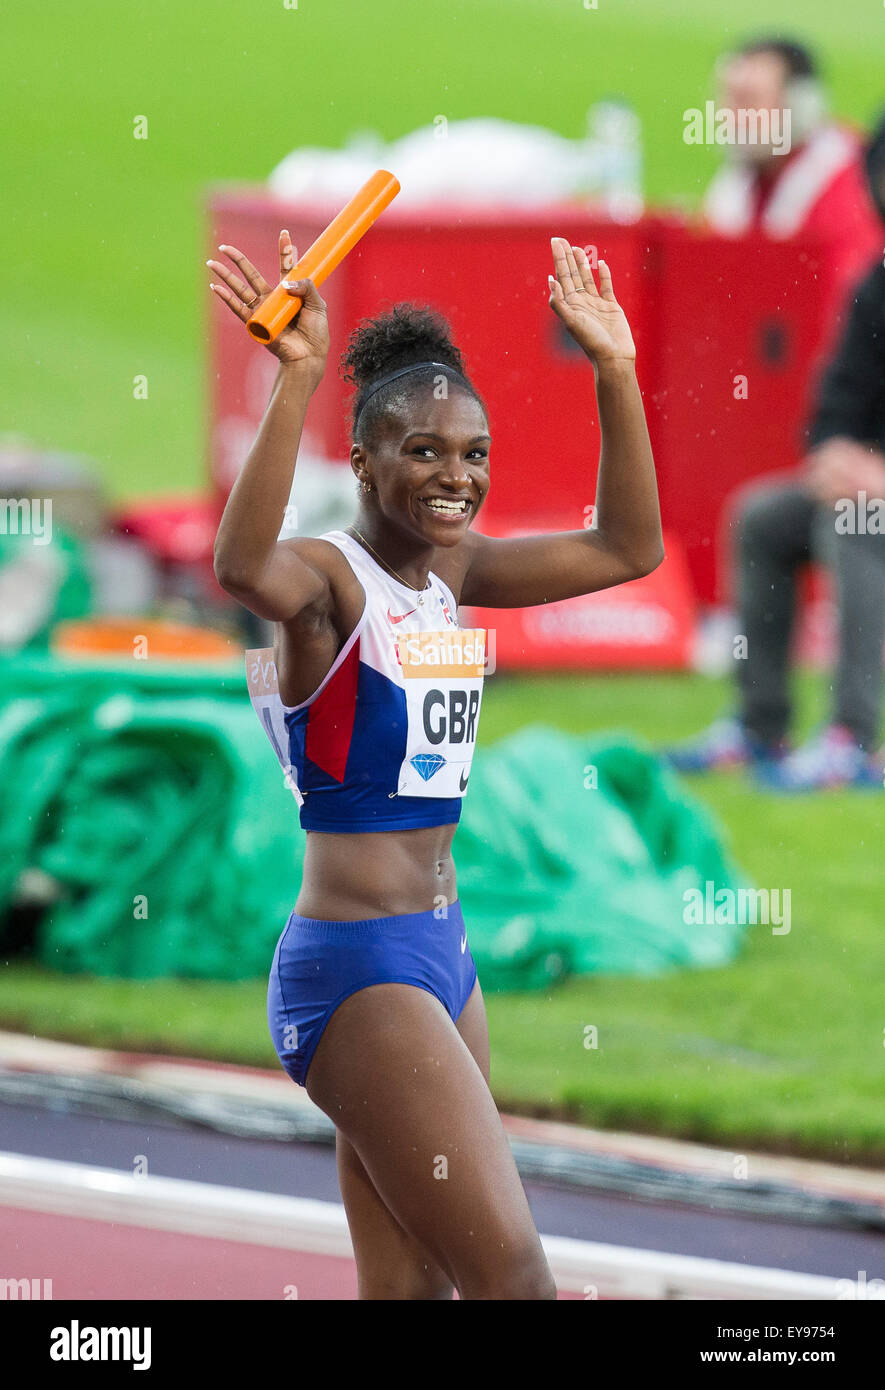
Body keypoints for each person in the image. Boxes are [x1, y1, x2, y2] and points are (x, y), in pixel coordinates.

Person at [208, 231, 663, 1299]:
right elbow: (239, 567)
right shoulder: (329, 581)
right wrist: (301, 378)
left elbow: (626, 550)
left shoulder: (453, 572)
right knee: (513, 1279)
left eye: (473, 454)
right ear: (363, 460)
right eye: (422, 451)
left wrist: (617, 371)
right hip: (357, 971)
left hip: (441, 957)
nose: (454, 476)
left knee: (412, 1292)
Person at [668, 114, 885, 791]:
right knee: (763, 515)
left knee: (851, 523)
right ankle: (759, 727)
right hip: (866, 490)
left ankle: (852, 737)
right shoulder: (877, 285)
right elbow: (830, 412)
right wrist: (835, 459)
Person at [703, 37, 881, 347]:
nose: (733, 118)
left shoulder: (847, 182)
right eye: (730, 100)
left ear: (800, 108)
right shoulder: (740, 180)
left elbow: (847, 315)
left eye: (750, 101)